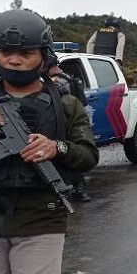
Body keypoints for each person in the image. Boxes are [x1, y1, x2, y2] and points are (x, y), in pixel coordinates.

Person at [0, 9, 99, 274]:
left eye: (25, 53)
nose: (14, 60)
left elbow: (88, 155)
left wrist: (57, 148)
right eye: (6, 52)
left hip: (41, 219)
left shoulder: (66, 105)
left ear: (43, 55)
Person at [47, 63, 90, 202]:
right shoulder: (67, 78)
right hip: (71, 122)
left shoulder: (57, 81)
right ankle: (78, 188)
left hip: (64, 122)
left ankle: (78, 189)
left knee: (67, 155)